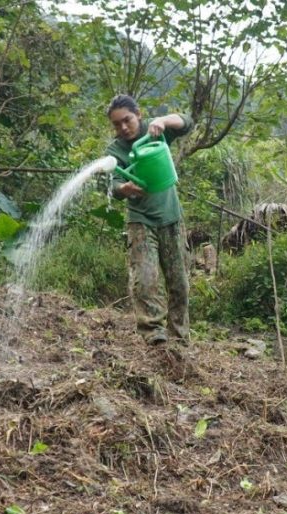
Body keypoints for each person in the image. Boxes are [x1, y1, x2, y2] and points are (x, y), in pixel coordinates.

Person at [105, 94, 195, 346]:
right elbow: (112, 184)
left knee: (180, 283)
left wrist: (164, 121)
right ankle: (154, 337)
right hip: (140, 221)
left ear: (139, 115)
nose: (123, 127)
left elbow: (187, 122)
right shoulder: (115, 150)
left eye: (127, 120)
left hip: (171, 218)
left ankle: (179, 339)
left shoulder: (155, 132)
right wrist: (124, 188)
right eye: (117, 124)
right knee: (145, 281)